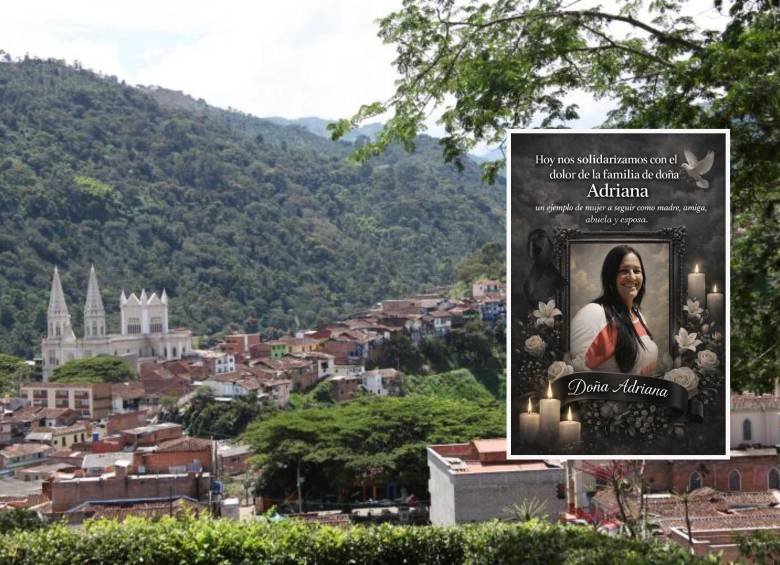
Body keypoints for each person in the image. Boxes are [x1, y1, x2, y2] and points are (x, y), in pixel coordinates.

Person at [570, 245, 658, 375]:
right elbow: (580, 375)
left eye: (637, 271)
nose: (632, 277)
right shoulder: (594, 313)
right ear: (611, 276)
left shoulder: (637, 314)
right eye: (624, 271)